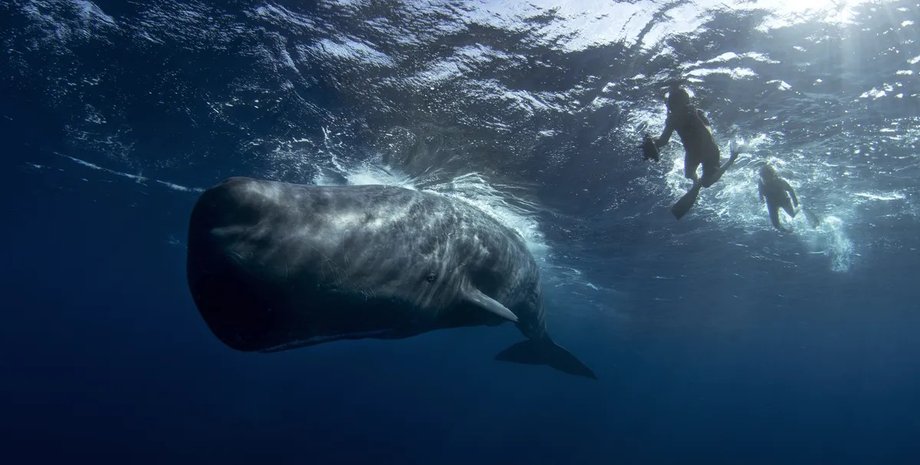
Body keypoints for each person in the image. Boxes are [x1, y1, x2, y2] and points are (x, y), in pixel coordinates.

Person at [647, 83, 739, 219]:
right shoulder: (673, 119)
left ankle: (731, 159)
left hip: (709, 151)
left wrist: (695, 118)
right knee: (689, 175)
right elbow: (663, 141)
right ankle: (697, 183)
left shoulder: (696, 113)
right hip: (694, 152)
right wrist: (652, 142)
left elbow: (708, 133)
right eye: (673, 106)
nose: (678, 110)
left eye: (679, 106)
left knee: (706, 183)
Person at [758, 164, 799, 231]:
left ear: (772, 176)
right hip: (771, 203)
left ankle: (800, 208)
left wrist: (795, 203)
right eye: (763, 178)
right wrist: (762, 201)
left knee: (793, 215)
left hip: (783, 200)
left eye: (767, 178)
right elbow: (760, 193)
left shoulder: (779, 181)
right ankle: (787, 232)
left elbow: (790, 190)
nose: (765, 180)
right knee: (775, 225)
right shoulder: (760, 182)